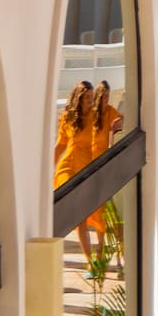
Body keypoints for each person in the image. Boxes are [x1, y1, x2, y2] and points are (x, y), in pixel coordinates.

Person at [53, 81, 100, 255]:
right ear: (79, 99)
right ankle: (90, 263)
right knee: (71, 212)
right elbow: (60, 146)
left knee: (83, 218)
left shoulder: (96, 118)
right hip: (67, 167)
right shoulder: (68, 117)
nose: (90, 100)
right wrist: (48, 170)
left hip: (85, 169)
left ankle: (93, 264)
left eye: (91, 97)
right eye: (87, 97)